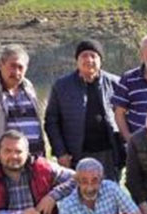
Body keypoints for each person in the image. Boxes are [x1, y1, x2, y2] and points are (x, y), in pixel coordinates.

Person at [45, 40, 123, 180]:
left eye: (93, 56)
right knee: (80, 195)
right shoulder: (62, 86)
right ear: (77, 60)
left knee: (109, 195)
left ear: (101, 60)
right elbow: (51, 121)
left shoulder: (116, 84)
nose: (89, 60)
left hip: (109, 154)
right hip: (76, 154)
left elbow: (125, 117)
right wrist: (60, 152)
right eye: (84, 56)